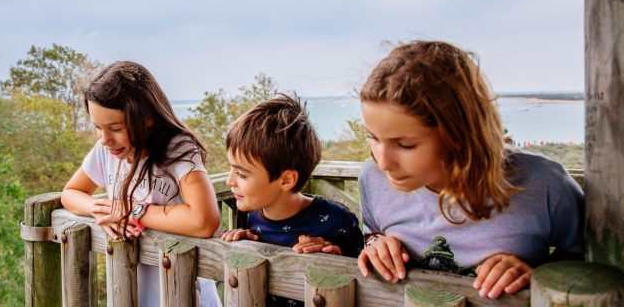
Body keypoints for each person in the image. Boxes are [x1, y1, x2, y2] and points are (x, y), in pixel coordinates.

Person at [356, 40, 584, 300]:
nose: (383, 162)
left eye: (405, 145)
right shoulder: (372, 178)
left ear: (460, 133)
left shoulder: (544, 184)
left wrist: (538, 274)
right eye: (372, 137)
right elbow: (372, 231)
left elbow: (590, 259)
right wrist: (376, 244)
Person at [61, 61, 221, 307]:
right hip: (130, 292)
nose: (105, 139)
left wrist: (133, 211)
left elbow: (204, 221)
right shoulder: (106, 151)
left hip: (184, 295)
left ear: (147, 117)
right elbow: (71, 193)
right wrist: (98, 209)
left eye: (116, 128)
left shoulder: (178, 149)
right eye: (97, 128)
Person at [219, 94, 361, 306]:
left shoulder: (337, 220)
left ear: (286, 180)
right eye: (231, 168)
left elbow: (364, 282)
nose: (230, 180)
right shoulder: (248, 217)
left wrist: (336, 260)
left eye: (242, 174)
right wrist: (240, 245)